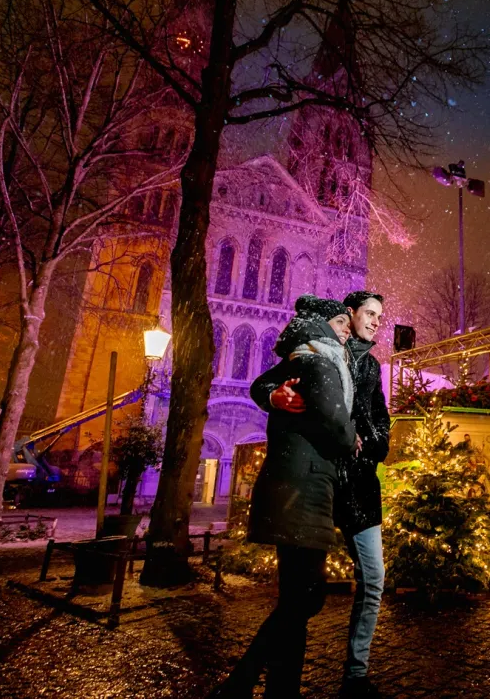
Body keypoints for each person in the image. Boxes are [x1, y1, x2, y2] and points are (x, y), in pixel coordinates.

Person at [209, 296, 357, 699]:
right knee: (306, 598)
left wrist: (272, 393)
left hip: (296, 491)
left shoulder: (307, 355)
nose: (347, 328)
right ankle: (240, 683)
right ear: (323, 326)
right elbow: (334, 422)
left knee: (297, 600)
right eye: (341, 322)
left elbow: (263, 382)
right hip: (304, 492)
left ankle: (279, 689)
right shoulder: (320, 360)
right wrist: (352, 438)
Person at [252, 291, 389, 699]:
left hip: (359, 488)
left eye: (381, 316)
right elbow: (265, 383)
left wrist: (367, 441)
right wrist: (273, 396)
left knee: (374, 578)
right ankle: (281, 681)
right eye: (370, 314)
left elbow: (381, 425)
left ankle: (356, 674)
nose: (377, 322)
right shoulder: (321, 348)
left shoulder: (369, 367)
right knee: (303, 594)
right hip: (318, 484)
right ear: (349, 315)